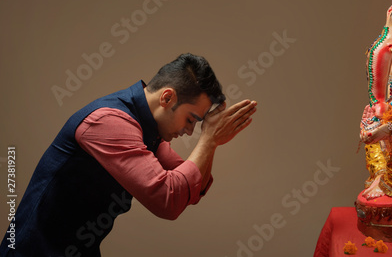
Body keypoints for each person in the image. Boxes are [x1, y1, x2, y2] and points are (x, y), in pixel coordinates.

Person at [0, 53, 257, 256]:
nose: (190, 131)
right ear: (167, 97)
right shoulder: (109, 123)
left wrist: (210, 141)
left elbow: (193, 187)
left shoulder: (147, 128)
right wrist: (209, 139)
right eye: (191, 120)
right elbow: (168, 200)